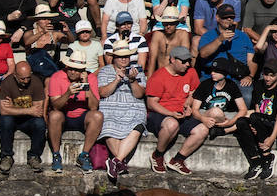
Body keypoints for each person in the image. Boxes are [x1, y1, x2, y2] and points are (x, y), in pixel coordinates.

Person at [145, 45, 205, 175]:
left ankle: (178, 159)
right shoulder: (158, 77)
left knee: (202, 130)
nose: (187, 64)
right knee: (172, 124)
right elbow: (151, 103)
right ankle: (158, 155)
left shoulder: (191, 72)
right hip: (161, 113)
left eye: (189, 60)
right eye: (184, 61)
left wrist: (189, 105)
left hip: (181, 113)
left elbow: (193, 93)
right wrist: (170, 113)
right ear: (173, 60)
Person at [94, 44, 149, 182]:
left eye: (127, 56)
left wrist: (132, 80)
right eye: (121, 57)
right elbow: (103, 92)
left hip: (132, 105)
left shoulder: (137, 70)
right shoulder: (105, 71)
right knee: (107, 122)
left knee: (138, 122)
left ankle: (116, 160)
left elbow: (139, 94)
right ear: (114, 58)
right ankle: (120, 162)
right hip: (111, 104)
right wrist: (117, 79)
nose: (124, 59)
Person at [46, 52, 103, 173]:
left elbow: (93, 107)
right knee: (54, 116)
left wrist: (86, 85)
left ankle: (84, 155)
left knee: (98, 116)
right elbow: (55, 106)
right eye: (70, 68)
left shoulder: (91, 78)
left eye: (77, 70)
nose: (72, 72)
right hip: (63, 115)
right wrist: (67, 94)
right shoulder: (57, 77)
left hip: (82, 116)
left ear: (83, 70)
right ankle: (56, 155)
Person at [237, 63, 277, 181]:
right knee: (241, 122)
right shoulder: (259, 85)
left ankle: (267, 157)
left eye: (271, 75)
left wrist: (272, 138)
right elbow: (257, 108)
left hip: (273, 122)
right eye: (266, 75)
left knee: (255, 117)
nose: (268, 78)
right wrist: (253, 125)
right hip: (259, 119)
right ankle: (256, 162)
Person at [0, 57, 48, 173]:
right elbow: (4, 111)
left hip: (28, 120)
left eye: (28, 77)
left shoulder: (36, 82)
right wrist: (28, 110)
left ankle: (34, 156)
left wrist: (13, 107)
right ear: (15, 75)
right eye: (22, 78)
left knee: (40, 124)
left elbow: (38, 111)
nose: (26, 81)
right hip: (12, 118)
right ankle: (6, 156)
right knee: (5, 121)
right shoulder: (7, 83)